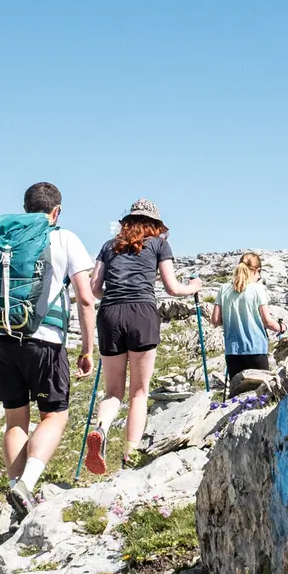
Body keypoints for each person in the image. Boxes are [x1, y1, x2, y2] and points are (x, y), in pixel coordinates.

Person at [0, 182, 97, 520]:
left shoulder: (6, 240)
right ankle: (26, 485)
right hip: (44, 338)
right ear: (56, 211)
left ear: (25, 208)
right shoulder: (65, 238)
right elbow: (85, 297)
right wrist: (88, 348)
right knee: (54, 415)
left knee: (15, 419)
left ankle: (16, 485)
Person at [84, 199, 202, 474]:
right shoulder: (159, 244)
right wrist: (194, 286)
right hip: (142, 314)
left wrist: (115, 296)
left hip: (110, 313)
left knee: (113, 391)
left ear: (127, 222)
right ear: (156, 225)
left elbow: (94, 288)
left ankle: (100, 429)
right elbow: (172, 288)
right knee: (139, 391)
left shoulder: (108, 245)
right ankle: (130, 455)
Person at [208, 252, 284, 380]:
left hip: (232, 351)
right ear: (257, 271)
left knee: (236, 394)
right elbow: (268, 322)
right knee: (260, 395)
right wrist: (281, 327)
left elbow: (215, 320)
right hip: (256, 349)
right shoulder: (257, 289)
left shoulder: (223, 289)